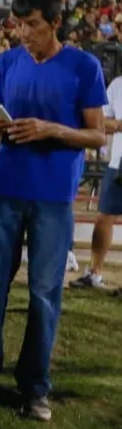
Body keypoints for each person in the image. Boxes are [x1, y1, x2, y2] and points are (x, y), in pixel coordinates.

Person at [0, 0, 107, 422]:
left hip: (53, 198)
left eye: (32, 24)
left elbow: (97, 136)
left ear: (55, 23)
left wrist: (51, 130)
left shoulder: (84, 65)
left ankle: (35, 387)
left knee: (43, 293)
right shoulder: (8, 62)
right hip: (6, 191)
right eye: (18, 25)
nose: (23, 33)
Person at [71, 72, 122, 290]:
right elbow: (102, 121)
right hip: (118, 162)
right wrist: (118, 124)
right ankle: (94, 273)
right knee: (104, 217)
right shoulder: (119, 84)